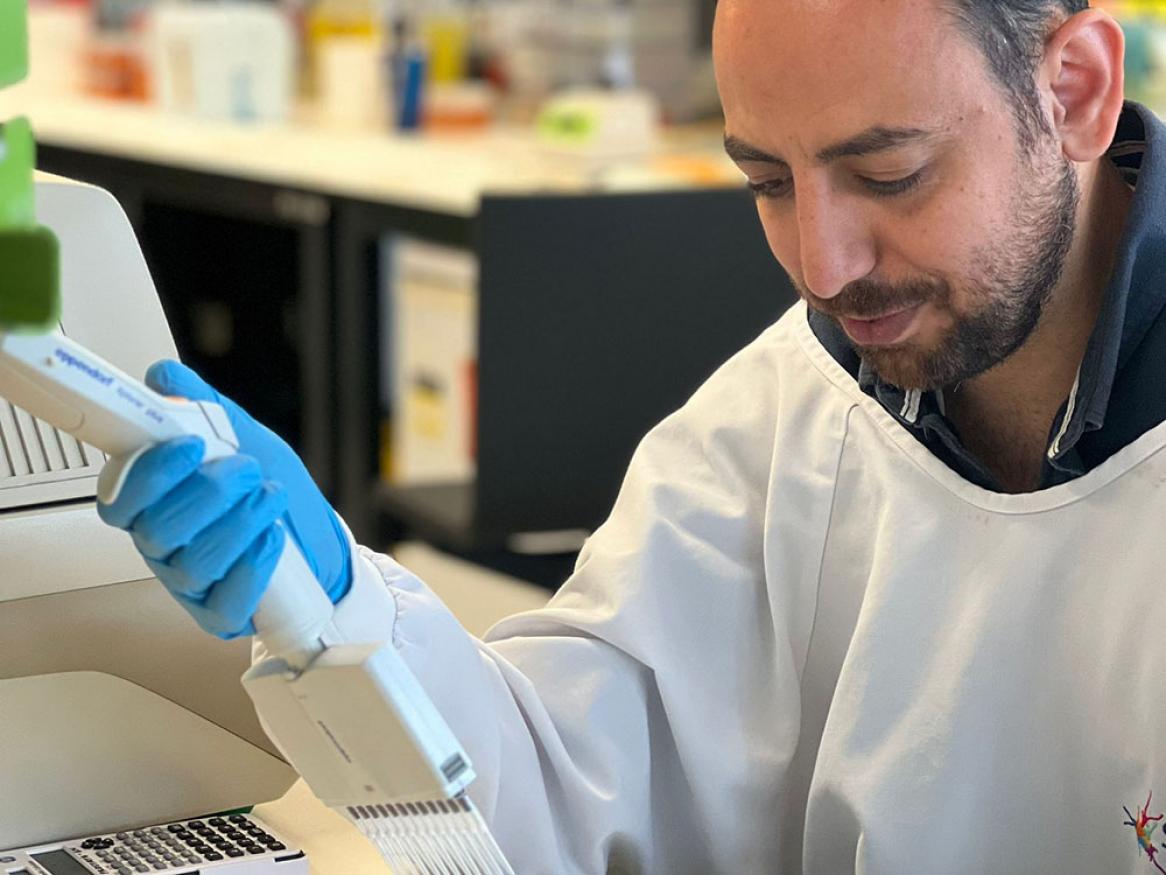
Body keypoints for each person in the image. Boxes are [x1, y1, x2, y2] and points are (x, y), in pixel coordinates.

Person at [96, 0, 1166, 871]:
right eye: (764, 182)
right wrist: (334, 597)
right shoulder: (795, 405)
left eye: (887, 174)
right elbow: (565, 787)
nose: (822, 265)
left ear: (1071, 90)